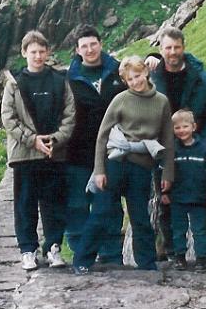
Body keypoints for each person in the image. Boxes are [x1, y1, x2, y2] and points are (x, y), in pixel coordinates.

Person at [72, 56, 174, 274]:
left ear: (146, 72)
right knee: (101, 212)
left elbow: (167, 139)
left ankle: (147, 264)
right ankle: (82, 260)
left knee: (140, 216)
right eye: (130, 79)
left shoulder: (162, 102)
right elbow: (102, 136)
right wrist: (99, 170)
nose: (135, 82)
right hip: (115, 163)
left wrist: (168, 173)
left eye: (137, 76)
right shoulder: (120, 100)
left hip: (142, 166)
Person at [145, 26, 206, 269]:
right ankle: (173, 252)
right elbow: (128, 73)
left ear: (184, 47)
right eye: (167, 48)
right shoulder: (151, 77)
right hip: (163, 152)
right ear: (160, 49)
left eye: (176, 47)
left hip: (195, 151)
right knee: (166, 200)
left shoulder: (204, 80)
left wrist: (203, 144)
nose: (172, 52)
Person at [1, 30, 75, 271]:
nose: (38, 56)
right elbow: (8, 118)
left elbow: (70, 115)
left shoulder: (59, 80)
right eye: (33, 52)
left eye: (42, 51)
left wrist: (54, 140)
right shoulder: (14, 83)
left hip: (53, 153)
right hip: (25, 155)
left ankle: (53, 247)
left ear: (48, 52)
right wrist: (33, 140)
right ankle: (28, 250)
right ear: (24, 53)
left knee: (54, 202)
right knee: (25, 204)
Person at [66, 26, 126, 263]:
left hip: (111, 151)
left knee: (109, 203)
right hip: (76, 152)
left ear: (101, 43)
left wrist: (155, 57)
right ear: (77, 50)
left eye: (93, 44)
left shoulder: (118, 71)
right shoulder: (69, 79)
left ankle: (111, 254)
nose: (89, 50)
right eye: (84, 46)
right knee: (77, 204)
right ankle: (82, 253)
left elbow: (144, 76)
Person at [161, 109, 206, 273]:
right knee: (178, 229)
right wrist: (164, 193)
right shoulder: (171, 149)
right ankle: (179, 257)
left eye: (185, 126)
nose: (182, 131)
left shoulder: (204, 149)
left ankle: (202, 259)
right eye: (177, 128)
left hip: (199, 197)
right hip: (177, 198)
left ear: (194, 127)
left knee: (200, 230)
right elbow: (164, 174)